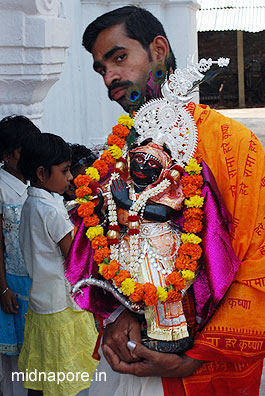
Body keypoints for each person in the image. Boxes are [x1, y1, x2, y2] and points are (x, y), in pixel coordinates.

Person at [68, 5, 265, 396]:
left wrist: (193, 357)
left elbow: (258, 259)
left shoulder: (231, 144)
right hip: (130, 360)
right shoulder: (117, 152)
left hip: (204, 362)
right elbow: (113, 248)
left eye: (119, 57)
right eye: (101, 69)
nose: (110, 77)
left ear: (158, 50)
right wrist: (119, 314)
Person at [17, 133, 98, 396]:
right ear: (42, 173)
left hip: (42, 303)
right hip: (63, 306)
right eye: (64, 171)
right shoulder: (52, 211)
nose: (71, 177)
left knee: (43, 373)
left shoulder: (31, 203)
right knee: (67, 377)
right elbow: (75, 258)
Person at [0, 115, 40, 396]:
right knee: (16, 363)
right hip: (12, 284)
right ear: (9, 153)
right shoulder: (1, 188)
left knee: (36, 353)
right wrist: (2, 287)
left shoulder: (32, 182)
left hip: (34, 281)